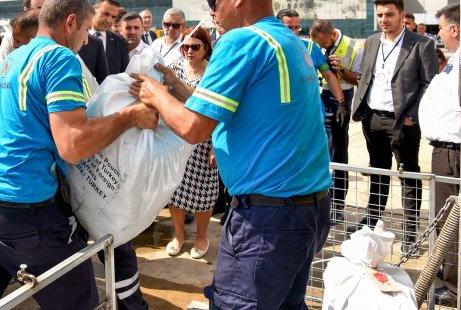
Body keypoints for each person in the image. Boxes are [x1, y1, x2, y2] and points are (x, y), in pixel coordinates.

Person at [0, 0, 159, 308]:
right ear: (70, 23)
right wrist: (130, 117)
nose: (86, 40)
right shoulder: (59, 58)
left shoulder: (13, 58)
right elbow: (73, 145)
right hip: (24, 210)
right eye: (86, 29)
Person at [130, 0, 331, 307]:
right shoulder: (290, 41)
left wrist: (156, 96)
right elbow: (224, 104)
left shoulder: (241, 40)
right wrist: (175, 86)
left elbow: (194, 127)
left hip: (267, 218)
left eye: (215, 3)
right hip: (308, 208)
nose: (214, 12)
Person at [350, 0, 437, 256]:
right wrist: (362, 109)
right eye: (380, 15)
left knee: (408, 175)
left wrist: (412, 115)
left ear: (401, 15)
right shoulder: (372, 41)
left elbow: (428, 84)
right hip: (373, 118)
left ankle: (410, 232)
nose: (384, 19)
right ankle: (372, 221)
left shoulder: (423, 44)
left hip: (403, 121)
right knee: (377, 171)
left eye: (389, 14)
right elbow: (366, 77)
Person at [418, 4, 461, 307]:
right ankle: (452, 283)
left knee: (450, 223)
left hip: (454, 153)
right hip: (444, 151)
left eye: (442, 28)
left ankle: (454, 288)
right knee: (446, 220)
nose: (440, 33)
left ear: (455, 29)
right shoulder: (455, 61)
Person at [163, 26, 218, 260]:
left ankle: (201, 236)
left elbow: (218, 110)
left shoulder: (215, 73)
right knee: (174, 191)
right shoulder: (174, 68)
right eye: (185, 46)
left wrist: (216, 145)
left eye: (195, 46)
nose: (189, 51)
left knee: (203, 192)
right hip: (175, 139)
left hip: (203, 140)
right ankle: (178, 235)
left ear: (206, 48)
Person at [309, 19, 364, 218]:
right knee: (318, 150)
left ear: (332, 35)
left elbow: (359, 79)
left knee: (337, 151)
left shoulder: (354, 47)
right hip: (318, 97)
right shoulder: (314, 46)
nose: (321, 47)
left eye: (323, 44)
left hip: (340, 99)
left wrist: (341, 70)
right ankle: (319, 198)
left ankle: (337, 203)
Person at [89, 0, 129, 74]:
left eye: (113, 17)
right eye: (106, 14)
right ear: (93, 10)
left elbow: (124, 73)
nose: (109, 20)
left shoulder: (120, 41)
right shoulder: (76, 37)